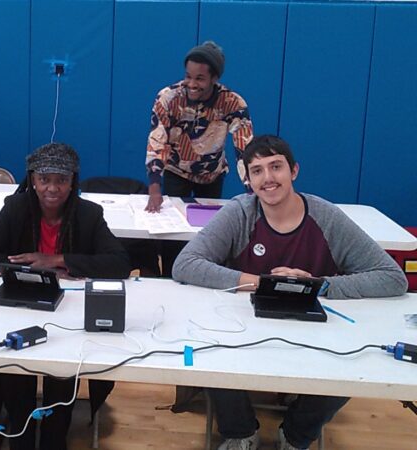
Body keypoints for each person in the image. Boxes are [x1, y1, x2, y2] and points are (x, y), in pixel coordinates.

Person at [172, 135, 407, 450]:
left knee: (359, 362)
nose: (267, 178)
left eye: (276, 167)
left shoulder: (325, 216)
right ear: (249, 180)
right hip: (244, 325)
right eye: (257, 171)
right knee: (204, 346)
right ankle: (240, 431)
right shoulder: (240, 212)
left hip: (316, 329)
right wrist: (261, 282)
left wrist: (318, 285)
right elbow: (185, 264)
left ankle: (296, 435)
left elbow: (392, 278)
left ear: (294, 171)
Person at [0, 143, 132, 450]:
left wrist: (56, 260)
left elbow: (120, 264)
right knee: (17, 382)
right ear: (33, 180)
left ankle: (54, 438)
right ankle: (20, 436)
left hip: (68, 313)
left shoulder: (88, 214)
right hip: (18, 310)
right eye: (45, 179)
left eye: (61, 180)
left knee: (61, 379)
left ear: (73, 182)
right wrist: (25, 266)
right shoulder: (16, 207)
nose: (52, 188)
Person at [144, 41, 253, 276]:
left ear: (215, 78)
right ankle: (171, 275)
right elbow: (157, 140)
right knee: (173, 236)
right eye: (188, 77)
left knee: (208, 234)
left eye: (200, 79)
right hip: (176, 171)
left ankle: (202, 276)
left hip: (211, 175)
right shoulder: (168, 97)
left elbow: (245, 149)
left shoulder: (233, 103)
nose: (192, 84)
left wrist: (253, 192)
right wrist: (154, 186)